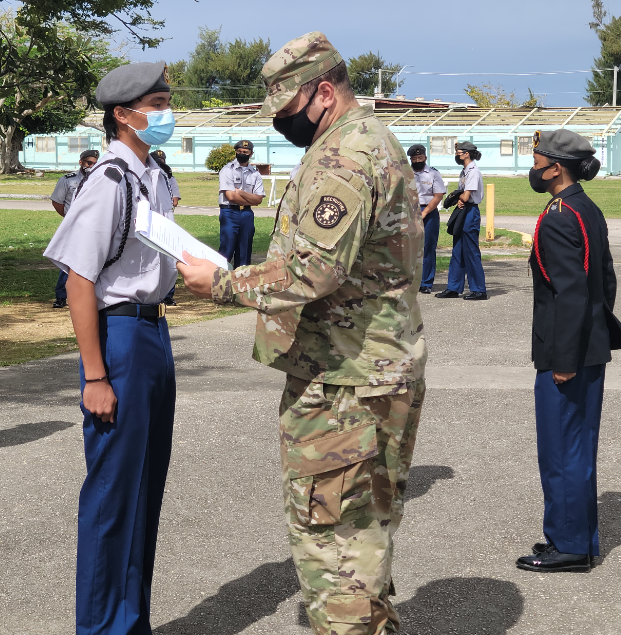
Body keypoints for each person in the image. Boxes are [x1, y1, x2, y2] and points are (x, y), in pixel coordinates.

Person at [177, 33, 426, 634]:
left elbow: (314, 268)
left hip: (345, 383)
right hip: (369, 372)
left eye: (288, 112)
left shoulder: (345, 156)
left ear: (322, 92)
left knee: (335, 549)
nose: (283, 125)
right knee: (363, 540)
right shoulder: (366, 141)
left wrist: (224, 283)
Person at [42, 61, 178, 635]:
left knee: (145, 491)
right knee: (113, 496)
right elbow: (79, 280)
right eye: (156, 103)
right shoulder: (111, 179)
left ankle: (132, 621)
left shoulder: (152, 174)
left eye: (168, 100)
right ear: (123, 115)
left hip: (153, 333)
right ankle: (101, 627)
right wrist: (95, 376)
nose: (166, 113)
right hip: (119, 337)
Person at [516, 129, 621, 573]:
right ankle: (577, 538)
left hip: (566, 354)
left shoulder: (559, 215)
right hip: (589, 347)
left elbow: (570, 294)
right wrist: (591, 340)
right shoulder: (585, 206)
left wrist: (564, 360)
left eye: (535, 160)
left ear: (555, 166)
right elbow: (604, 283)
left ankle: (568, 546)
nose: (532, 168)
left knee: (561, 450)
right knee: (578, 448)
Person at [436, 141, 487, 300]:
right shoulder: (464, 171)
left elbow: (466, 196)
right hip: (463, 210)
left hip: (470, 212)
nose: (457, 154)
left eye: (459, 152)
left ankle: (479, 289)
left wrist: (460, 198)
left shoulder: (473, 171)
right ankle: (453, 287)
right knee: (457, 250)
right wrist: (460, 198)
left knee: (471, 251)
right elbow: (462, 195)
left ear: (467, 154)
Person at [49, 149, 100, 309]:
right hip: (74, 226)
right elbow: (57, 202)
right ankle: (61, 296)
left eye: (95, 163)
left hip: (95, 226)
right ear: (81, 162)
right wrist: (69, 217)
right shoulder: (68, 180)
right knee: (69, 260)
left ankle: (94, 295)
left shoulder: (100, 180)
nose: (91, 166)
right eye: (88, 163)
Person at [217, 140, 264, 269]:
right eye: (239, 151)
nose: (242, 153)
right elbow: (231, 196)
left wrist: (241, 192)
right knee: (227, 248)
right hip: (229, 212)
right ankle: (219, 279)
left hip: (246, 214)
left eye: (245, 152)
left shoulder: (255, 174)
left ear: (251, 153)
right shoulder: (227, 170)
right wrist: (251, 199)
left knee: (245, 249)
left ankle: (240, 282)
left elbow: (259, 199)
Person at [407, 145, 446, 294]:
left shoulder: (433, 174)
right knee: (409, 248)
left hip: (428, 212)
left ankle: (426, 283)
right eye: (414, 158)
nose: (417, 160)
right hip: (409, 211)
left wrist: (424, 213)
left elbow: (438, 196)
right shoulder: (406, 173)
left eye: (420, 158)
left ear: (425, 158)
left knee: (428, 248)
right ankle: (410, 281)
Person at [151, 149, 181, 306]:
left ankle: (167, 294)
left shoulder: (169, 177)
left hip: (165, 215)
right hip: (153, 216)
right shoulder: (147, 175)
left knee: (169, 255)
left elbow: (174, 201)